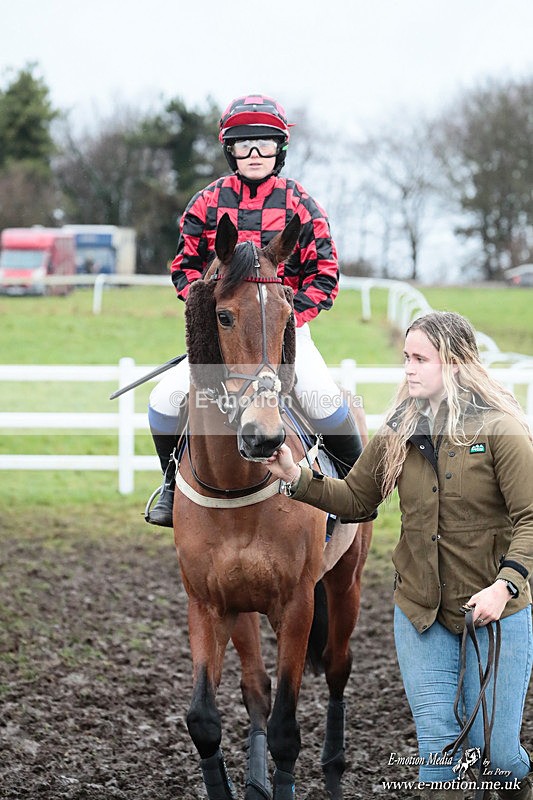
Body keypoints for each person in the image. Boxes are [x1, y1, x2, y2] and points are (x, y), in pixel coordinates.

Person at [266, 311, 533, 800]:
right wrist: (295, 476)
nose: (407, 368)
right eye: (405, 357)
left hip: (498, 614)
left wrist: (504, 585)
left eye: (419, 359)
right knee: (438, 753)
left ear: (453, 363)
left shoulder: (502, 431)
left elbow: (531, 521)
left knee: (495, 755)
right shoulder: (398, 430)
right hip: (420, 614)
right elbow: (357, 500)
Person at [146, 94, 364, 526]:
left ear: (279, 150)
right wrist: (213, 315)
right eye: (244, 145)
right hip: (223, 332)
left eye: (264, 144)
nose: (254, 154)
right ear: (230, 150)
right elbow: (184, 268)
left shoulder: (300, 204)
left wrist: (284, 318)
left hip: (287, 328)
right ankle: (172, 486)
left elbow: (325, 274)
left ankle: (354, 492)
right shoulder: (206, 203)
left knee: (323, 402)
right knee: (163, 399)